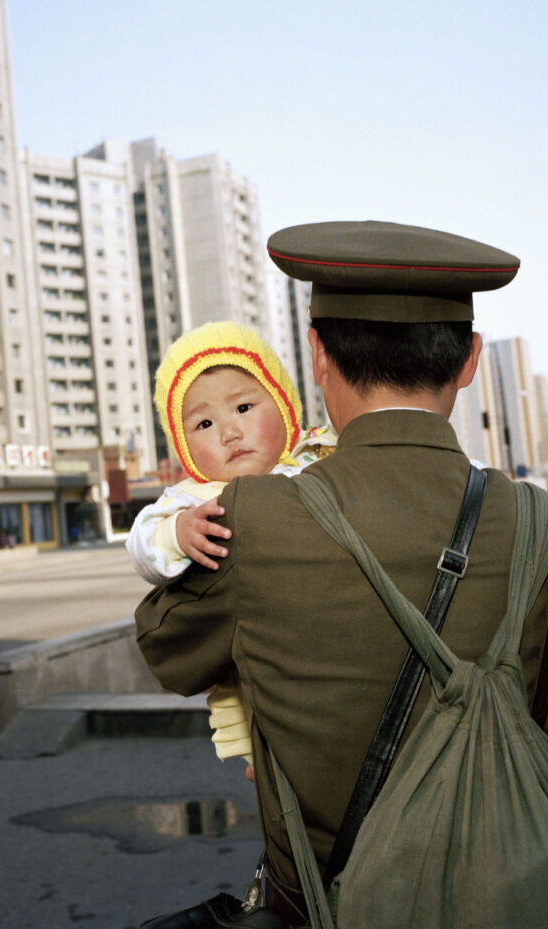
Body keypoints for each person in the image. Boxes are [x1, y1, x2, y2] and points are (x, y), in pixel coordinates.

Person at [135, 220, 548, 923]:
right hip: (516, 893)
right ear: (471, 359)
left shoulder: (253, 519)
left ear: (318, 355)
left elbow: (165, 649)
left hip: (330, 904)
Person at [126, 320, 335, 766]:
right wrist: (179, 532)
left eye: (243, 408)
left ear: (284, 405)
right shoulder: (193, 498)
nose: (229, 433)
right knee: (272, 760)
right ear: (183, 445)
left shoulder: (317, 466)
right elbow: (143, 542)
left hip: (329, 662)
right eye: (203, 423)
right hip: (253, 686)